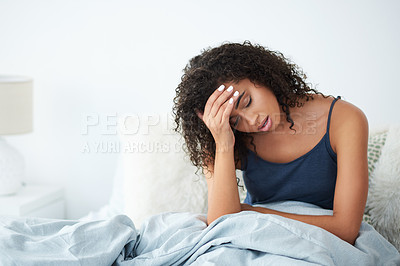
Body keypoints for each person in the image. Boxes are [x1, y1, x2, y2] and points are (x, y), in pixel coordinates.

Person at [172, 41, 369, 245]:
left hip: (317, 242)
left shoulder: (345, 119)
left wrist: (253, 212)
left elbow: (346, 230)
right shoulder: (223, 137)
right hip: (251, 241)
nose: (250, 120)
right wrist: (223, 144)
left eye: (246, 102)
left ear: (259, 74)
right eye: (235, 120)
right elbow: (222, 222)